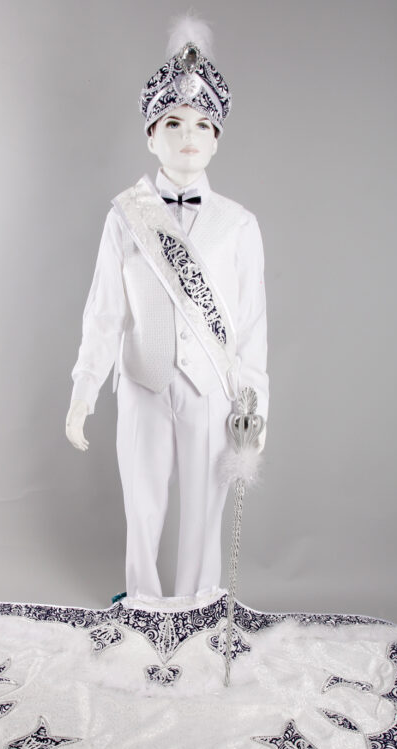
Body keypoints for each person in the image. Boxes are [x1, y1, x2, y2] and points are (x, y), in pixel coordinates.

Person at [66, 18, 269, 602]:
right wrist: (84, 390)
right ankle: (143, 610)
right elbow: (104, 312)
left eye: (203, 125)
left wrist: (256, 405)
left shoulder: (239, 224)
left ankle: (198, 612)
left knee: (205, 514)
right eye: (174, 123)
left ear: (217, 138)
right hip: (142, 381)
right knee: (143, 505)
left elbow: (251, 326)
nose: (189, 137)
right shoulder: (126, 216)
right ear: (151, 136)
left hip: (212, 389)